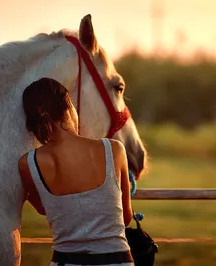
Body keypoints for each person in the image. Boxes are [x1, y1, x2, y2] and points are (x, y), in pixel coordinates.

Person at [18, 77, 134, 266]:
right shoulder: (113, 150)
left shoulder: (27, 164)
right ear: (68, 106)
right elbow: (125, 218)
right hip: (115, 260)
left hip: (65, 261)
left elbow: (44, 208)